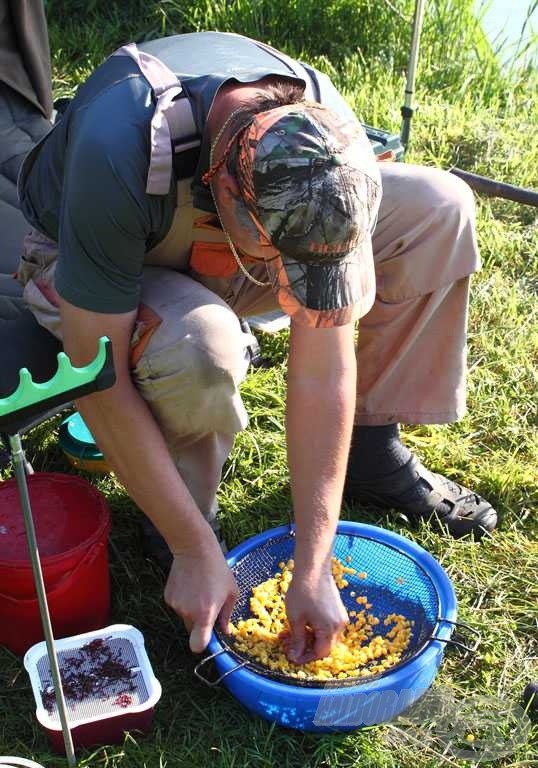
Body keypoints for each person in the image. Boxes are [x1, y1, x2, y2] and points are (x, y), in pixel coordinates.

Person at [16, 31, 497, 665]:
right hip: (98, 264)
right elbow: (94, 372)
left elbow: (324, 366)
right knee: (200, 347)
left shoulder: (325, 131)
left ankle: (371, 447)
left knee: (440, 207)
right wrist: (194, 552)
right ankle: (184, 521)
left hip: (232, 248)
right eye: (280, 257)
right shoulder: (122, 140)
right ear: (222, 188)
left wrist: (313, 564)